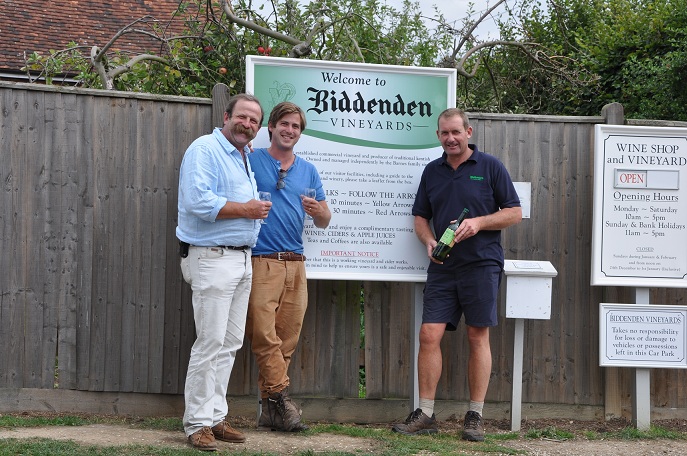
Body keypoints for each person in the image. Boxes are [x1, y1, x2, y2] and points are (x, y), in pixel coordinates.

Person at [392, 108, 522, 441]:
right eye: (444, 133)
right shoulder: (431, 172)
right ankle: (426, 413)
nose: (450, 138)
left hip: (481, 264)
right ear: (438, 136)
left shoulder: (490, 167)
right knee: (428, 334)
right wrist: (428, 240)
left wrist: (479, 222)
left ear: (469, 132)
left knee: (477, 336)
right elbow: (420, 217)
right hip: (442, 267)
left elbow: (514, 213)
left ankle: (475, 416)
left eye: (456, 132)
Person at [176, 93, 272, 451]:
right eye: (242, 117)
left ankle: (215, 416)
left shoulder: (242, 157)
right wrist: (246, 211)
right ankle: (196, 423)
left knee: (229, 343)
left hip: (240, 259)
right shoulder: (205, 149)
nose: (247, 124)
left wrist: (249, 216)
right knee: (210, 342)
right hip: (211, 258)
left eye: (254, 121)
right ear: (226, 115)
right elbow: (198, 202)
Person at [246, 101, 331, 432]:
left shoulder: (308, 170)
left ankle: (270, 412)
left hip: (296, 263)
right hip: (261, 260)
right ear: (271, 125)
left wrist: (317, 211)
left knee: (287, 340)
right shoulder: (251, 160)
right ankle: (283, 399)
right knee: (264, 335)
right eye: (285, 124)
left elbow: (324, 220)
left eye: (296, 127)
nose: (290, 130)